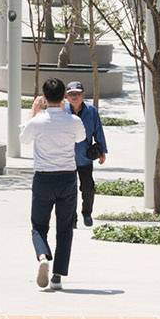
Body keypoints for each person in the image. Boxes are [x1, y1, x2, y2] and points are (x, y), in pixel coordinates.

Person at [20, 77, 87, 290]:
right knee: (65, 228)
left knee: (38, 225)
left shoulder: (37, 121)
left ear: (44, 97)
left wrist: (34, 111)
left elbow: (23, 139)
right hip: (67, 177)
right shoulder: (73, 121)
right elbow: (81, 138)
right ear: (64, 96)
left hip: (43, 177)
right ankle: (57, 276)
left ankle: (42, 256)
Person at [66, 81, 110, 228]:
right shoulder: (62, 111)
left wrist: (102, 150)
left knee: (88, 188)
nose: (74, 97)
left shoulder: (91, 111)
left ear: (83, 95)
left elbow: (98, 131)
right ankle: (72, 219)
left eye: (77, 94)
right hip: (66, 159)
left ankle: (87, 213)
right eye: (71, 94)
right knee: (69, 191)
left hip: (85, 158)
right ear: (66, 96)